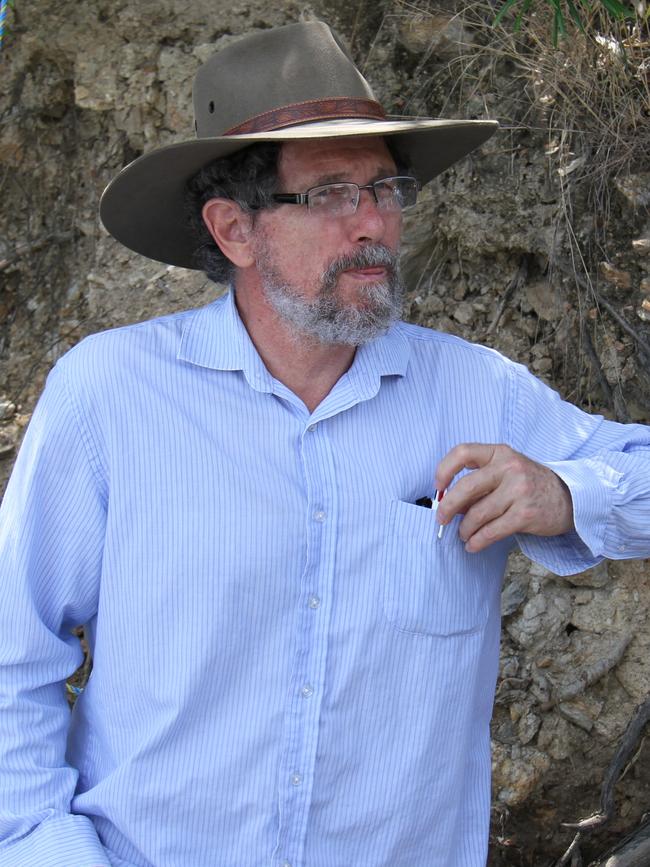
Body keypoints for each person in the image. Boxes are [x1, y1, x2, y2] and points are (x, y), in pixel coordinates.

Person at [0, 20, 648, 867]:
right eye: (332, 194)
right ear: (233, 230)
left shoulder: (475, 391)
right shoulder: (110, 397)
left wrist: (567, 492)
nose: (373, 223)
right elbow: (13, 662)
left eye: (385, 190)